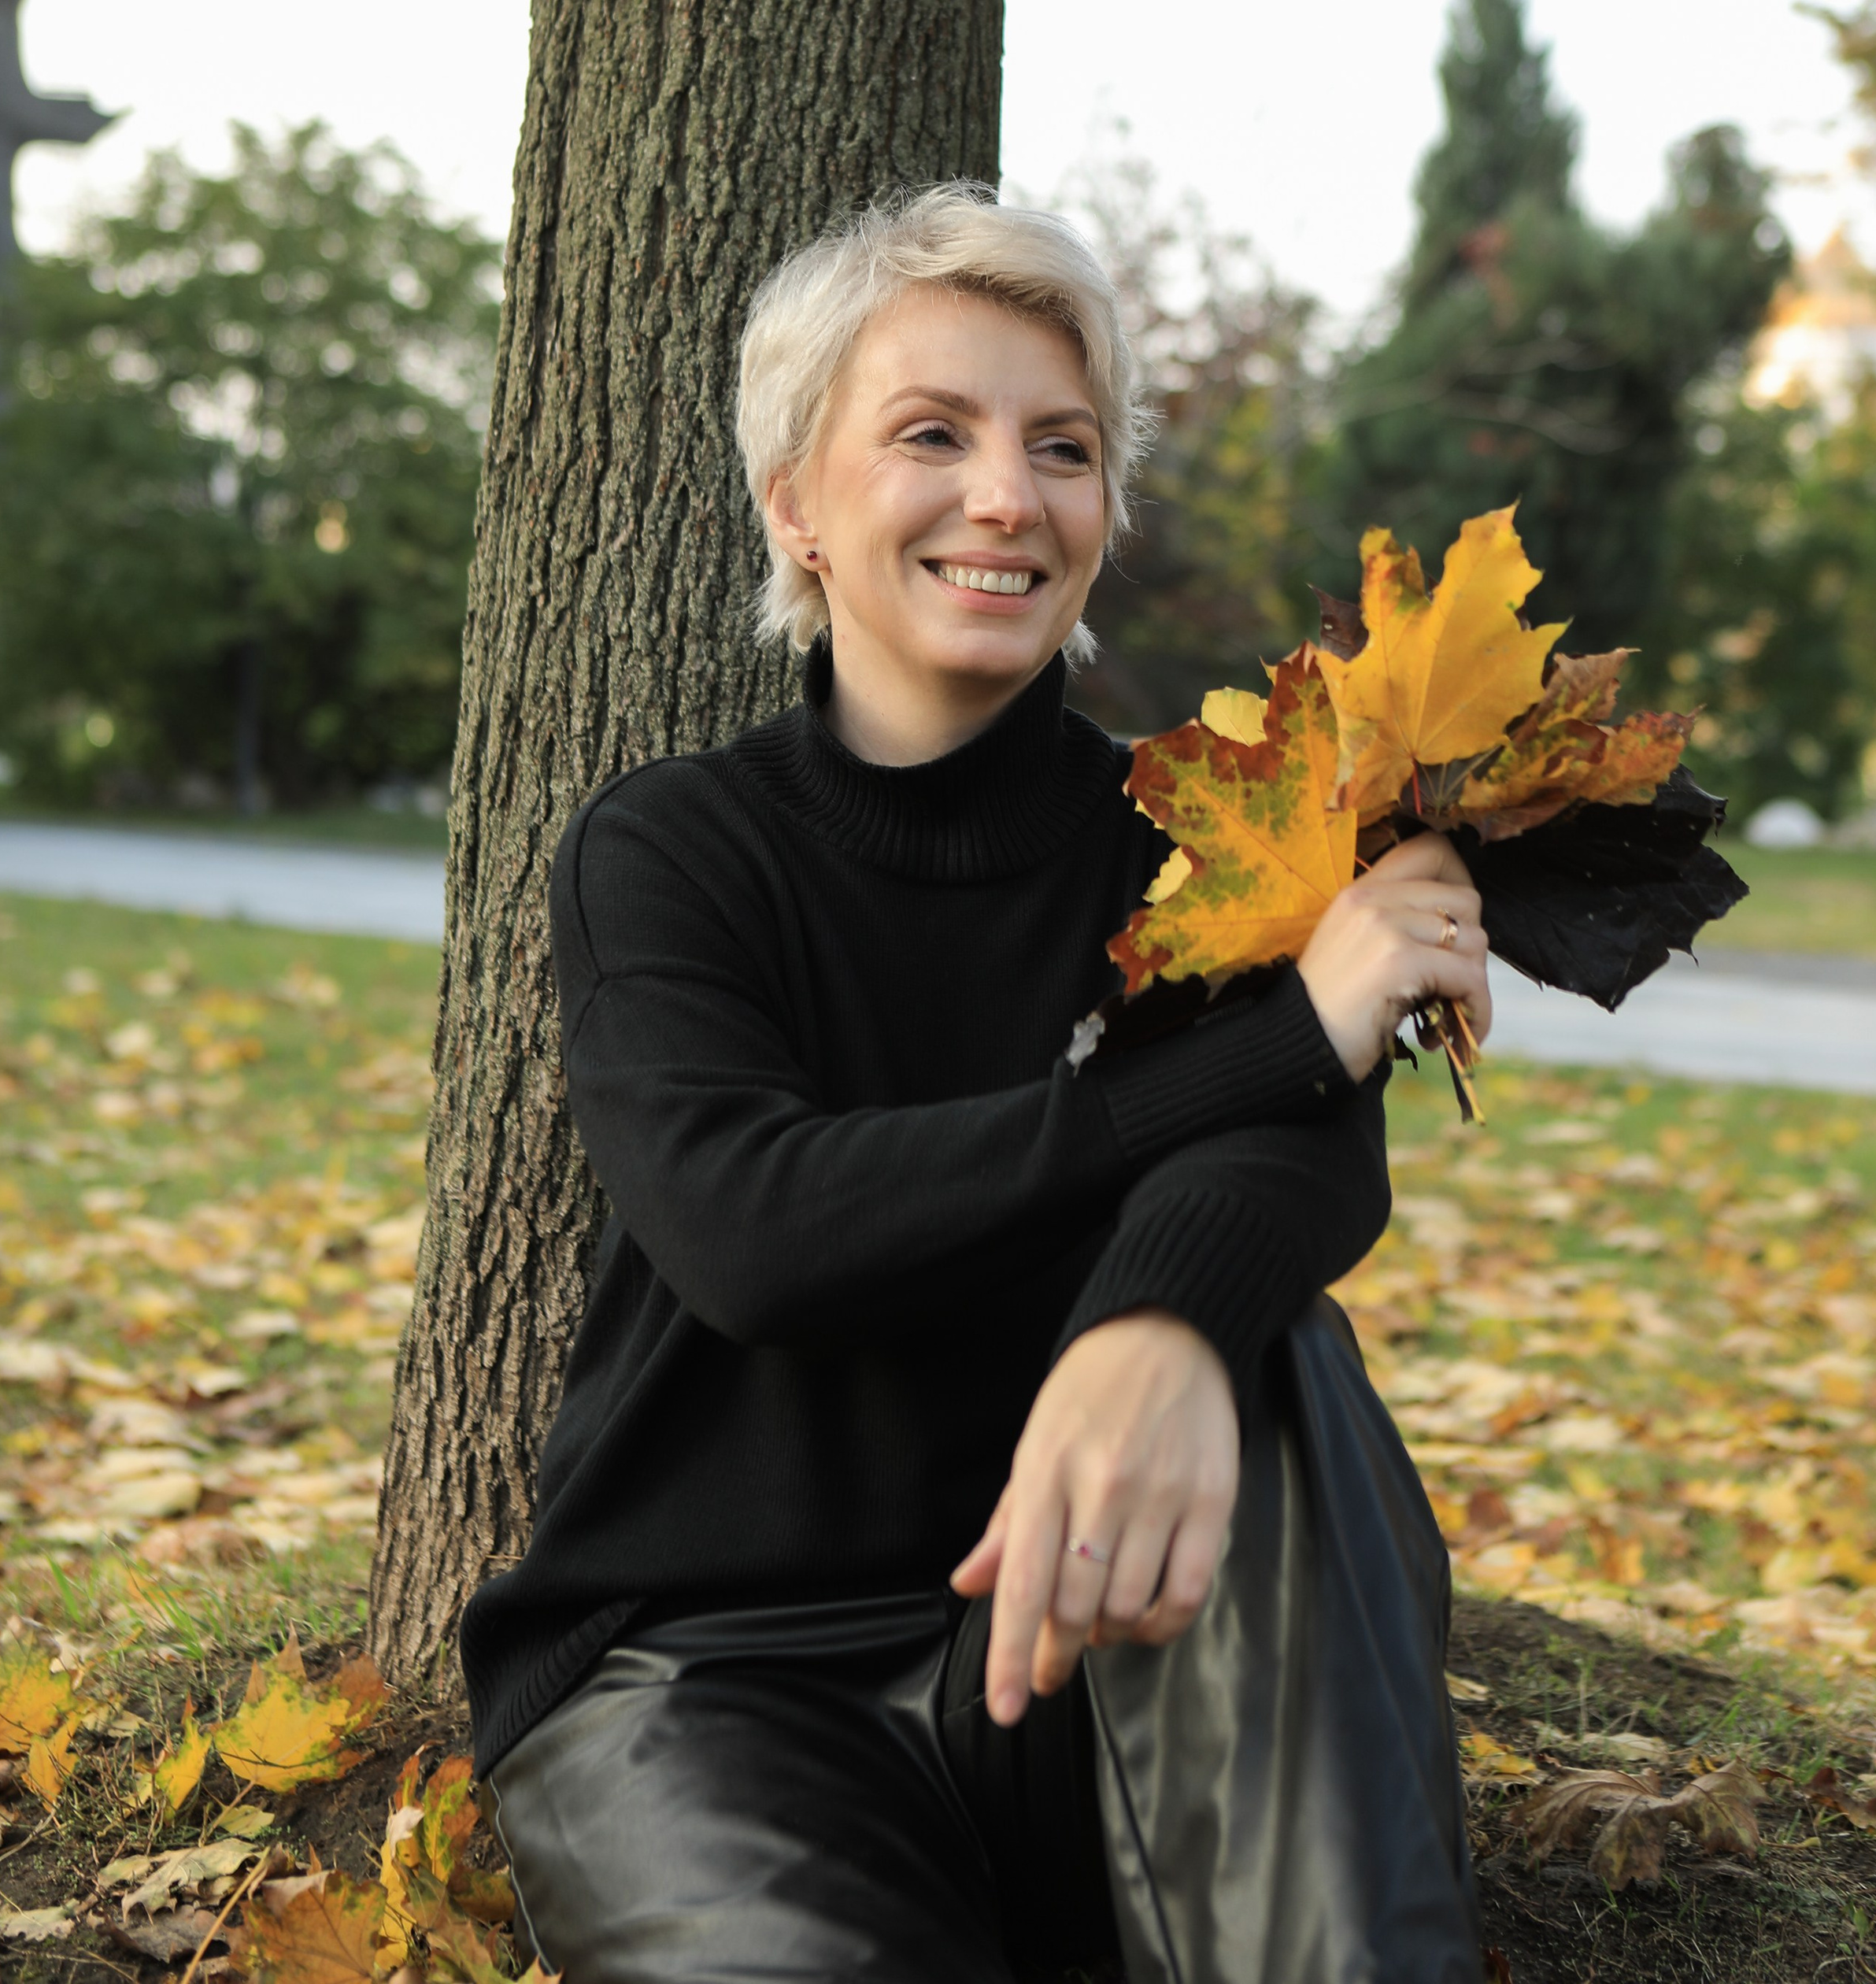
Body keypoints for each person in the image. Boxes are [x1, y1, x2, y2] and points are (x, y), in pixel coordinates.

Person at [461, 186, 1492, 1984]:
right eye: (929, 436)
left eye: (1063, 448)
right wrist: (1277, 1038)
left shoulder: (1191, 839)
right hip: (692, 1683)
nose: (1006, 496)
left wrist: (1153, 1329)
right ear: (796, 504)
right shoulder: (675, 850)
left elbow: (1295, 1168)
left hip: (1093, 1652)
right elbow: (756, 1231)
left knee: (1271, 1349)